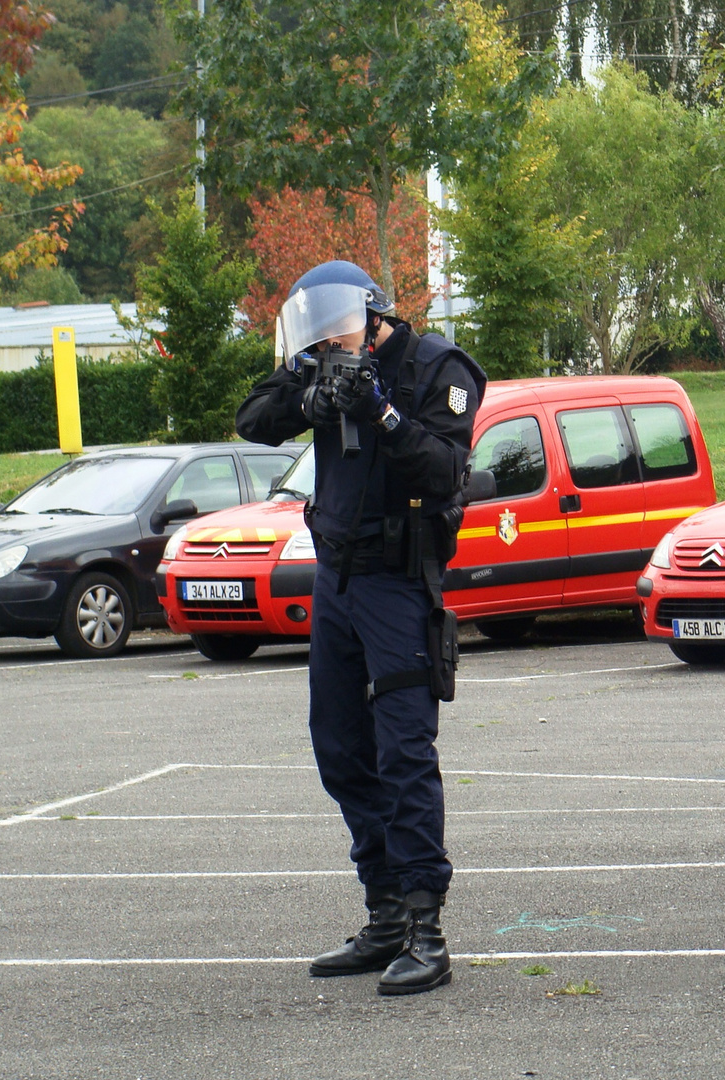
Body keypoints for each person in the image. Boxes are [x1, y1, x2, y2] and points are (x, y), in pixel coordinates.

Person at [235, 260, 485, 996]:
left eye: (338, 327)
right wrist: (311, 396)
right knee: (341, 749)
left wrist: (381, 412)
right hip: (338, 580)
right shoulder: (319, 365)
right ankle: (382, 913)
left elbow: (445, 470)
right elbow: (253, 418)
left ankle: (425, 928)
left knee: (404, 750)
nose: (328, 341)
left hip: (399, 584)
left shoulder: (433, 366)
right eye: (316, 332)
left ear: (374, 313)